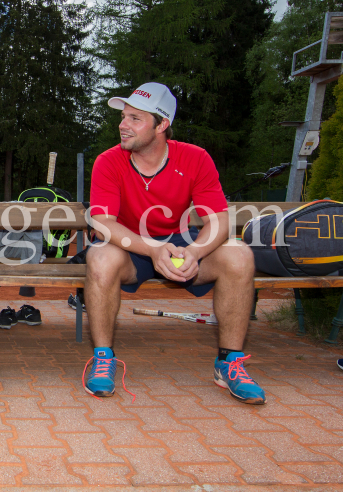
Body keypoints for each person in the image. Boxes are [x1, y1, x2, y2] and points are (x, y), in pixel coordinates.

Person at [83, 82, 264, 405]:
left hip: (180, 244)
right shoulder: (108, 161)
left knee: (239, 255)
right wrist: (152, 250)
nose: (123, 125)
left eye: (135, 119)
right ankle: (103, 357)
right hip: (132, 246)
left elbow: (219, 220)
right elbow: (102, 222)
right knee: (100, 258)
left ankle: (229, 363)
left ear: (162, 125)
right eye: (124, 117)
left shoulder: (195, 158)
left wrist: (195, 252)